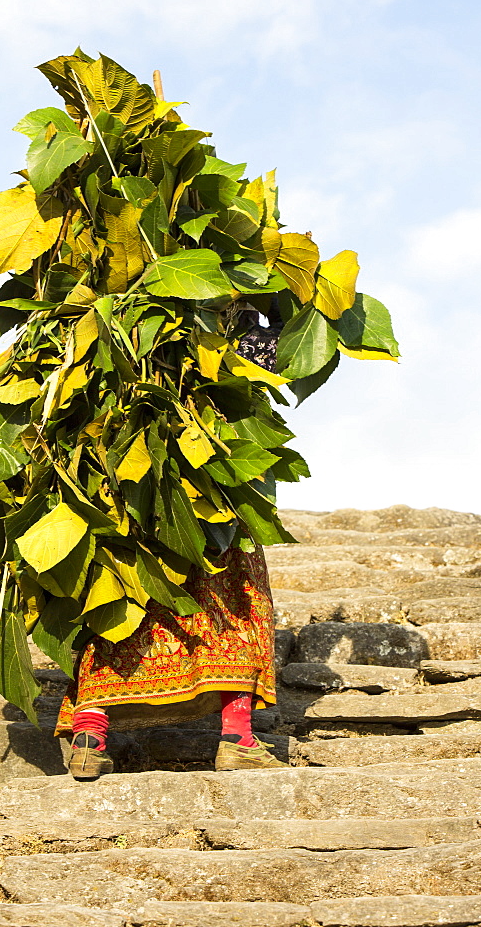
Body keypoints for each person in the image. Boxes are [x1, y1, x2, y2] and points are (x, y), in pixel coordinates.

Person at [54, 303, 287, 780]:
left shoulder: (100, 299)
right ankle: (237, 735)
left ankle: (89, 732)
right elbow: (280, 358)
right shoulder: (233, 302)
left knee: (115, 585)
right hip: (210, 459)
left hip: (109, 458)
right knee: (230, 586)